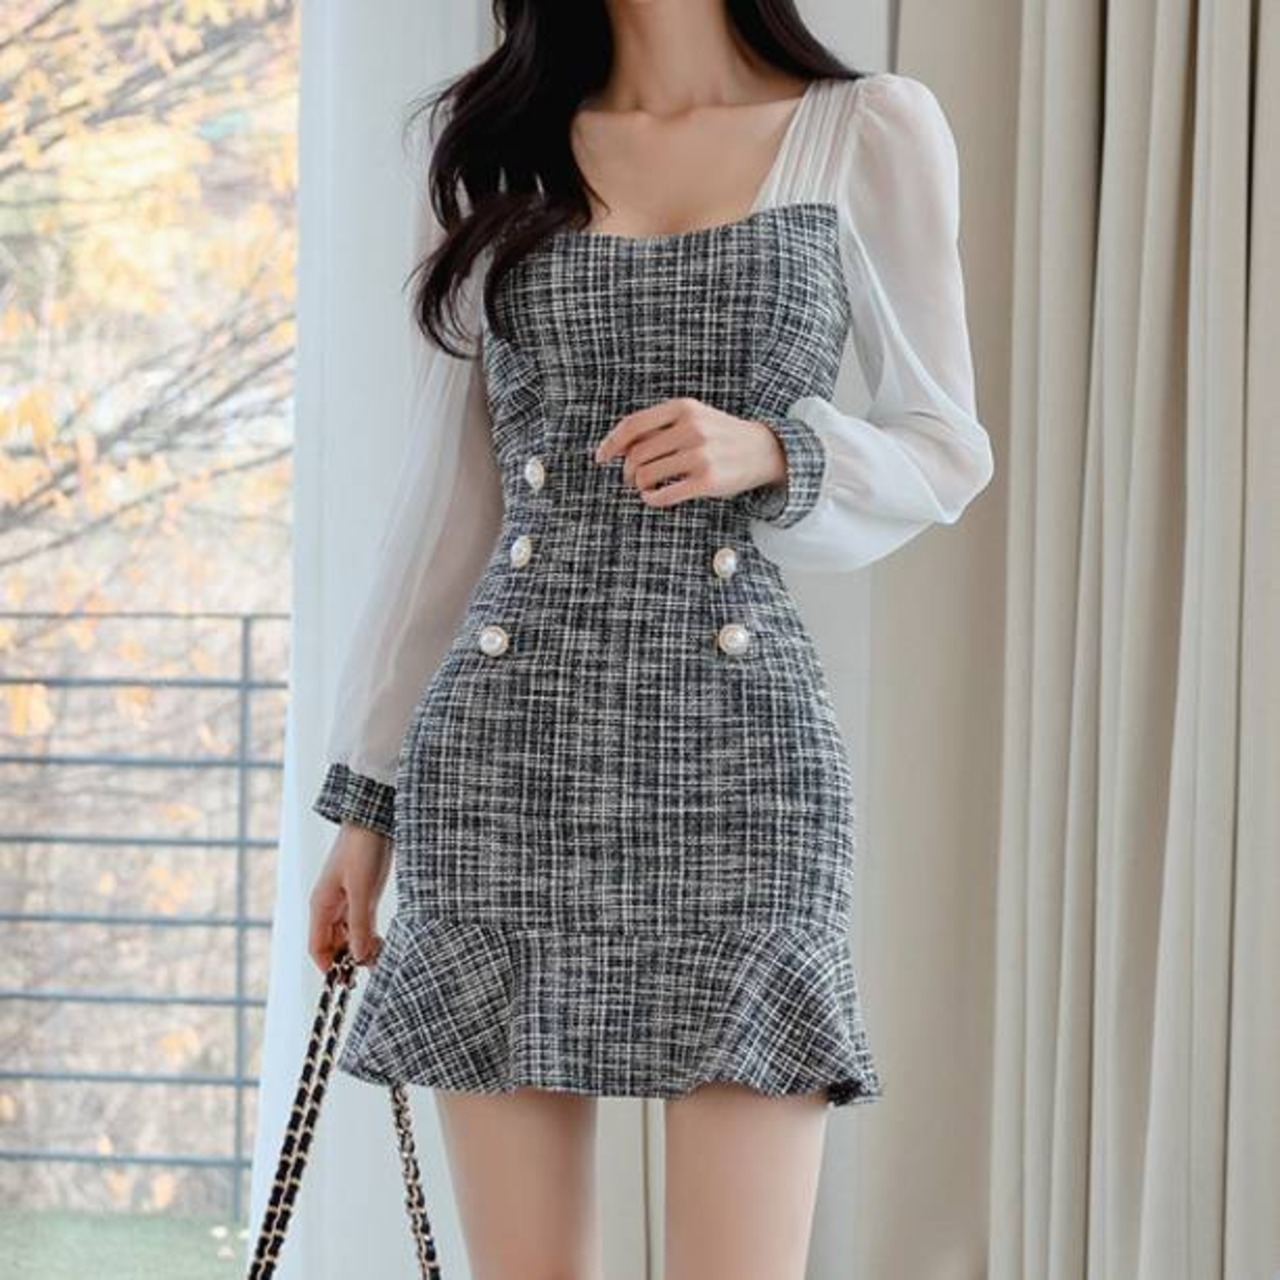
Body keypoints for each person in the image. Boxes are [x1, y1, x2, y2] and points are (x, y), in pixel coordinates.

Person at [306, 2, 994, 1276]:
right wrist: (366, 799)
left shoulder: (865, 130)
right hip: (504, 758)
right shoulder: (490, 142)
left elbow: (947, 445)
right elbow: (450, 497)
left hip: (741, 761)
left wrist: (776, 448)